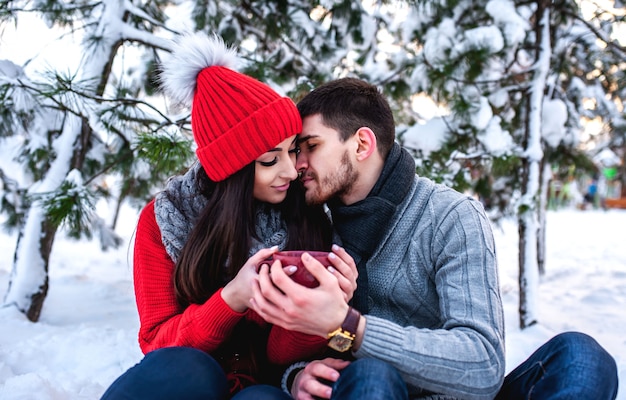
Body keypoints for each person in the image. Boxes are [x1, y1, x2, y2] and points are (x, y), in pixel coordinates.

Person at [249, 77, 619, 399]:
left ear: (361, 145)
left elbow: (484, 365)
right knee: (371, 376)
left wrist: (351, 328)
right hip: (369, 391)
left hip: (461, 396)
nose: (297, 164)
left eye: (311, 146)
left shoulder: (449, 216)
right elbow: (289, 342)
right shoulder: (312, 223)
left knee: (582, 357)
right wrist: (294, 378)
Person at [100, 33, 358, 400]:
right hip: (186, 382)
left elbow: (279, 358)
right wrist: (232, 299)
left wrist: (321, 303)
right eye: (270, 160)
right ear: (231, 169)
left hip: (266, 385)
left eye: (292, 150)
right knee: (192, 370)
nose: (290, 171)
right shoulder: (166, 219)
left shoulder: (309, 213)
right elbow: (158, 346)